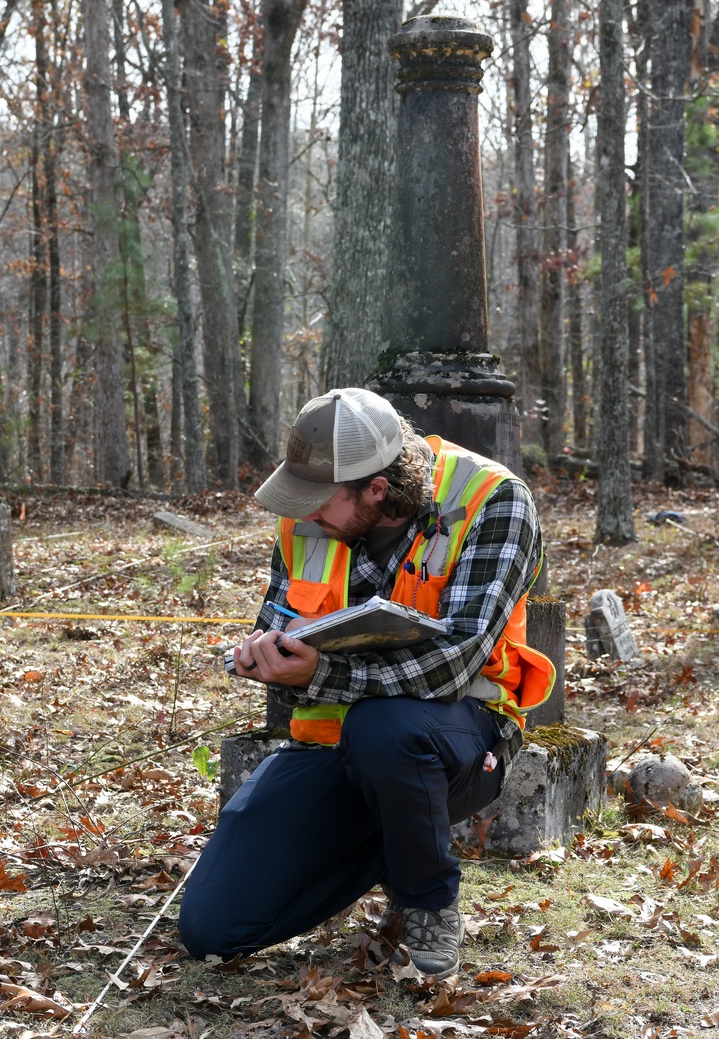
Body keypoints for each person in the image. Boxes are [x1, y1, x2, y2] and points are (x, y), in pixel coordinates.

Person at [178, 387, 555, 978]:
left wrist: (323, 672)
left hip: (461, 735)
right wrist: (267, 658)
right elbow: (279, 624)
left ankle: (427, 897)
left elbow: (456, 663)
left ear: (376, 489)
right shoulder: (307, 519)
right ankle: (391, 840)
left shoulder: (494, 500)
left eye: (320, 502)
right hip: (331, 744)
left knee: (389, 729)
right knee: (211, 929)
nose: (305, 515)